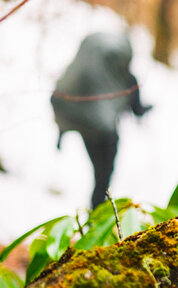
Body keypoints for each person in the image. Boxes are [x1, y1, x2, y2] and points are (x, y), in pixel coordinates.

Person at [51, 32, 152, 209]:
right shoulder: (123, 76)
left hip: (86, 127)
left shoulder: (82, 68)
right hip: (104, 132)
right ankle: (97, 212)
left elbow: (59, 98)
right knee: (104, 175)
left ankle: (96, 209)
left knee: (100, 174)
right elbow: (136, 107)